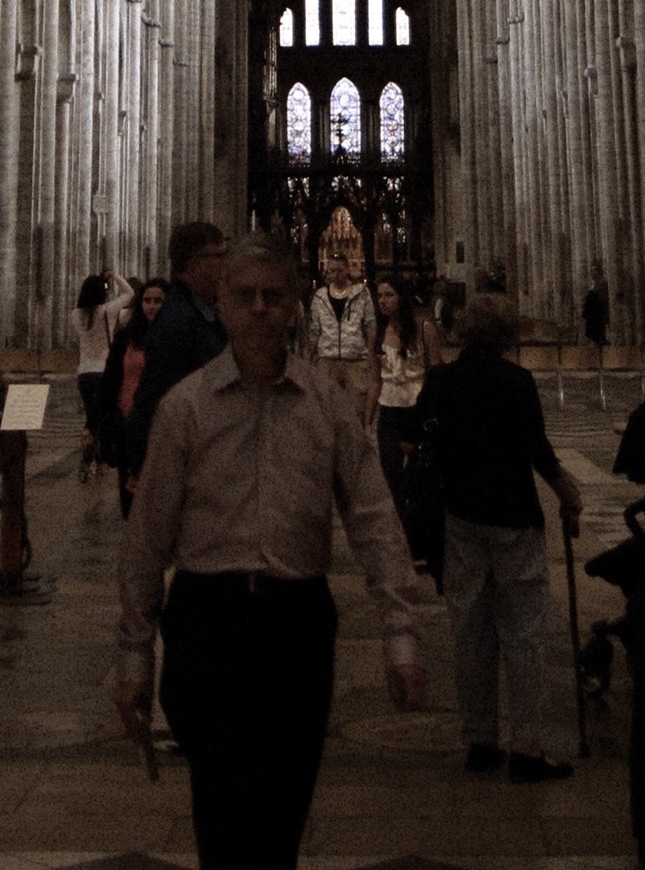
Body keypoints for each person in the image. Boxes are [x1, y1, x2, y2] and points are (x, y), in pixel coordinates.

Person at [115, 232, 427, 870]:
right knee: (223, 818)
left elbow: (374, 519)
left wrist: (401, 632)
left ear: (293, 306)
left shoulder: (326, 406)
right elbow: (147, 538)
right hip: (208, 624)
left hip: (296, 626)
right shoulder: (184, 409)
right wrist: (134, 655)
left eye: (273, 295)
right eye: (244, 295)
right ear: (222, 305)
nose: (259, 308)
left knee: (283, 819)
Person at [414, 288, 583, 780]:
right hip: (513, 517)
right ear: (507, 334)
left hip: (461, 517)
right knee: (523, 631)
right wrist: (567, 493)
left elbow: (423, 434)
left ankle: (480, 740)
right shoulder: (516, 381)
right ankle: (526, 745)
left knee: (470, 630)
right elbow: (536, 448)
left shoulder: (443, 380)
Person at [122, 219, 229, 481]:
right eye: (219, 257)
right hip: (186, 461)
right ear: (195, 264)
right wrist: (142, 465)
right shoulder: (177, 321)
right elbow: (157, 395)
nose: (226, 265)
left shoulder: (201, 312)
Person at [363, 276, 443, 570]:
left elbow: (436, 376)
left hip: (417, 411)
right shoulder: (376, 333)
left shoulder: (424, 330)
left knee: (421, 481)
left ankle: (422, 543)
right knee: (392, 479)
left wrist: (435, 413)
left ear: (401, 298)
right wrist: (367, 420)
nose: (383, 301)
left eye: (389, 294)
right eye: (380, 295)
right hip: (390, 411)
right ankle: (399, 545)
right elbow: (375, 381)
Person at [99, 276, 167, 516]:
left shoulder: (174, 337)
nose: (152, 306)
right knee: (130, 497)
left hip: (162, 425)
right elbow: (111, 380)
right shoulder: (127, 336)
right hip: (128, 423)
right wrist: (96, 423)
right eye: (147, 300)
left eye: (158, 301)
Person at [73, 269, 133, 473]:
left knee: (91, 415)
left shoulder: (75, 315)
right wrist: (114, 276)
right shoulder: (107, 311)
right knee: (104, 417)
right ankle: (100, 460)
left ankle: (89, 460)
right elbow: (130, 293)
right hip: (103, 371)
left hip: (83, 373)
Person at [309, 248, 375, 401]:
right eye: (332, 271)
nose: (336, 274)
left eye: (339, 270)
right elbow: (314, 329)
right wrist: (311, 356)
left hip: (355, 359)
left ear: (347, 269)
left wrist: (371, 355)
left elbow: (370, 326)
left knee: (357, 403)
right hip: (328, 358)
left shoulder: (361, 294)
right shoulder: (320, 297)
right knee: (327, 404)